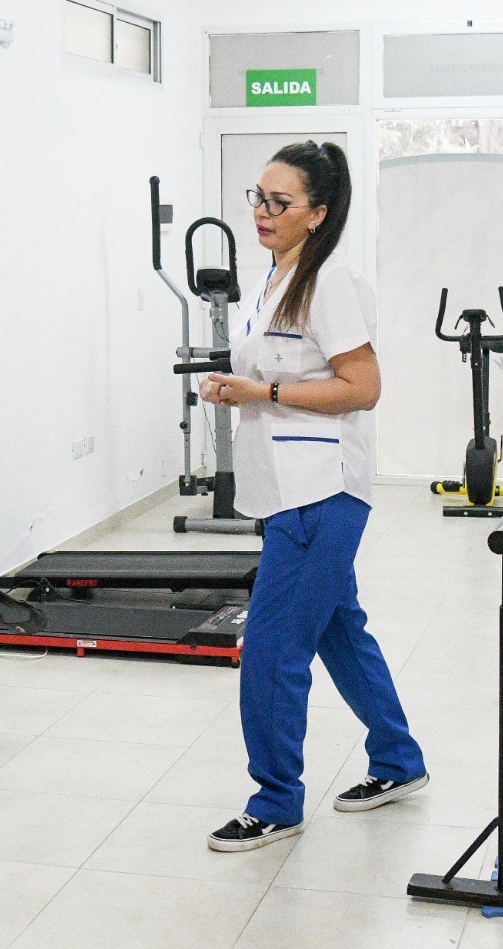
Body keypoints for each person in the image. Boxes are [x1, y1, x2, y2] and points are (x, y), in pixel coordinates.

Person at [201, 140, 428, 851]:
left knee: (271, 650)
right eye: (259, 198)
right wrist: (238, 387)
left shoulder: (328, 281)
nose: (263, 212)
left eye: (281, 202)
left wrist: (263, 391)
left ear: (319, 213)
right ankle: (398, 760)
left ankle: (276, 800)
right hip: (286, 489)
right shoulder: (276, 277)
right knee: (338, 629)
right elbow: (281, 372)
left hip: (320, 490)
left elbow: (363, 387)